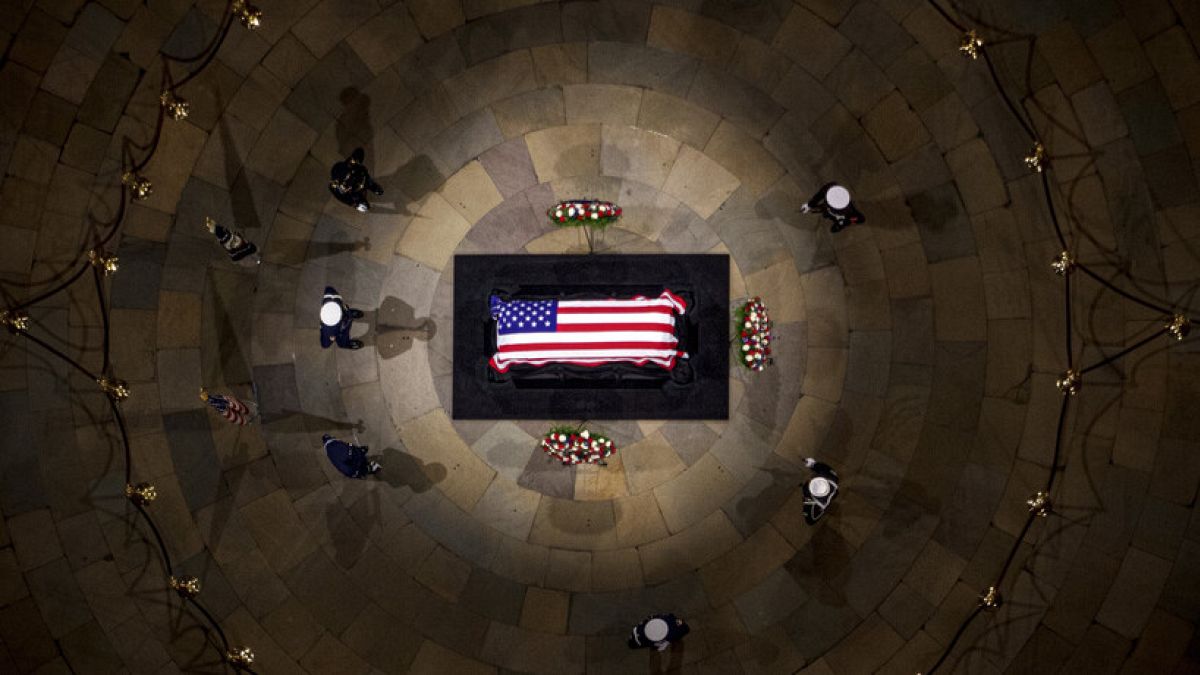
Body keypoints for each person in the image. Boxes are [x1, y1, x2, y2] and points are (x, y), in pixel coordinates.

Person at [329, 147, 383, 212]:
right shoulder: (337, 187)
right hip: (355, 192)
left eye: (348, 175)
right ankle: (363, 202)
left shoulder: (352, 164)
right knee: (363, 205)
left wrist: (355, 160)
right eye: (346, 179)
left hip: (363, 179)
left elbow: (360, 151)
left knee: (369, 183)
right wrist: (352, 203)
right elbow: (341, 197)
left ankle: (373, 187)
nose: (349, 178)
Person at [800, 183, 865, 233]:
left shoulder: (850, 211)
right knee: (826, 212)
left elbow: (861, 219)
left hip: (840, 219)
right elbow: (819, 196)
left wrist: (844, 222)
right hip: (829, 211)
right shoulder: (829, 188)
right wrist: (809, 205)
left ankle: (838, 226)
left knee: (836, 227)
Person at [802, 457, 839, 525]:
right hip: (832, 493)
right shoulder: (833, 478)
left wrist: (806, 501)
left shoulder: (815, 502)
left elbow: (810, 521)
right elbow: (825, 468)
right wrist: (813, 464)